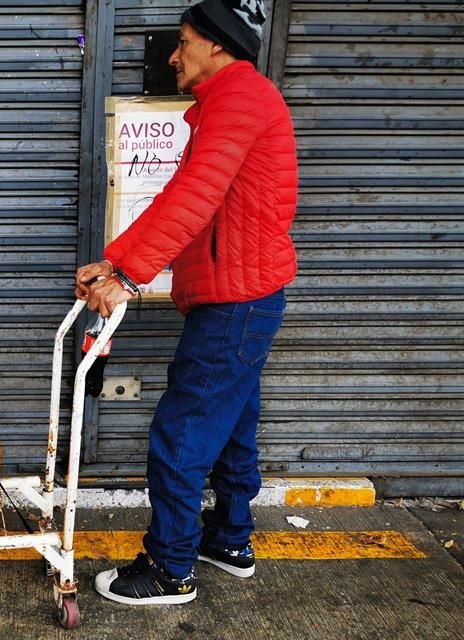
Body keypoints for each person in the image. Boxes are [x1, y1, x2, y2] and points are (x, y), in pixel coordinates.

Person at [77, 0, 298, 605]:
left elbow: (195, 195)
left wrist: (126, 273)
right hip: (244, 297)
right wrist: (117, 260)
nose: (173, 55)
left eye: (183, 41)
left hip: (237, 304)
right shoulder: (226, 103)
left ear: (218, 47)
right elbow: (188, 195)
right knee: (231, 429)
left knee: (180, 433)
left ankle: (171, 569)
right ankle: (229, 540)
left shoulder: (238, 100)